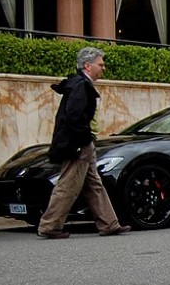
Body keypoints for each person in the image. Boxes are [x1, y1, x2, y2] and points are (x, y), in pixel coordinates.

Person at [37, 47, 131, 239]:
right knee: (68, 184)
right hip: (79, 144)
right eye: (100, 64)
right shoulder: (81, 86)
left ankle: (109, 223)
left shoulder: (78, 84)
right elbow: (74, 117)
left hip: (83, 142)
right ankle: (49, 225)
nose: (103, 68)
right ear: (88, 66)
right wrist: (82, 142)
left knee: (94, 184)